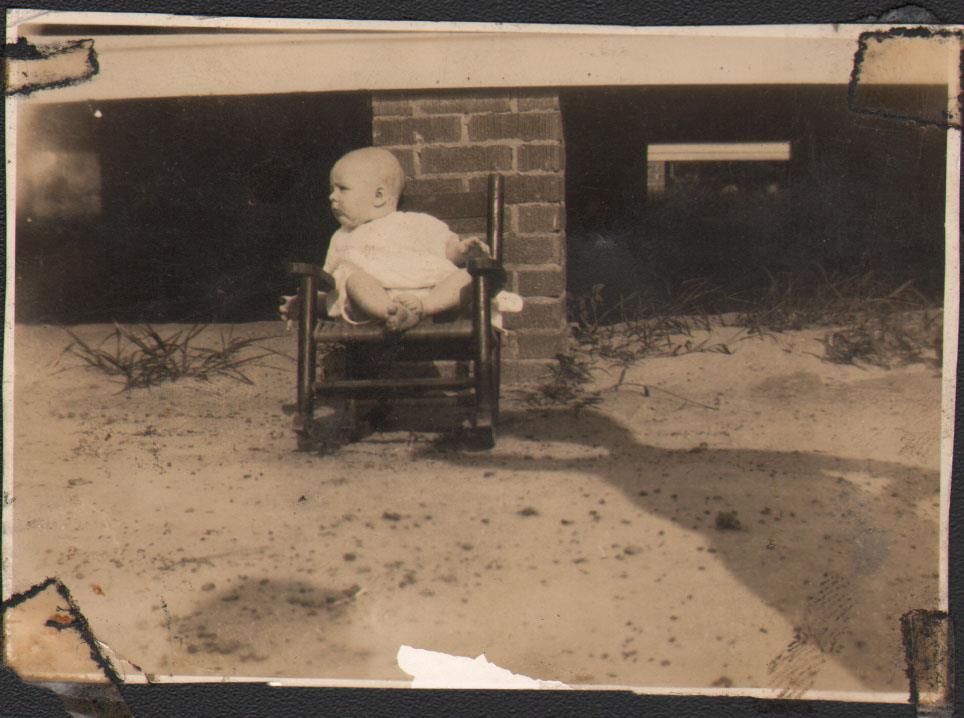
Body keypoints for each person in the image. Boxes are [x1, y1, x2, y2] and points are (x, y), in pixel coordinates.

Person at [282, 147, 491, 332]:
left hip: (429, 297)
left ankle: (420, 310)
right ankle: (392, 313)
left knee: (467, 276)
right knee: (355, 281)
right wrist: (307, 302)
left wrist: (462, 251)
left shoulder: (417, 222)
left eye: (342, 188)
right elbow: (335, 289)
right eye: (332, 190)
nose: (332, 196)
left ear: (379, 196)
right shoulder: (342, 237)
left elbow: (447, 250)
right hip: (374, 306)